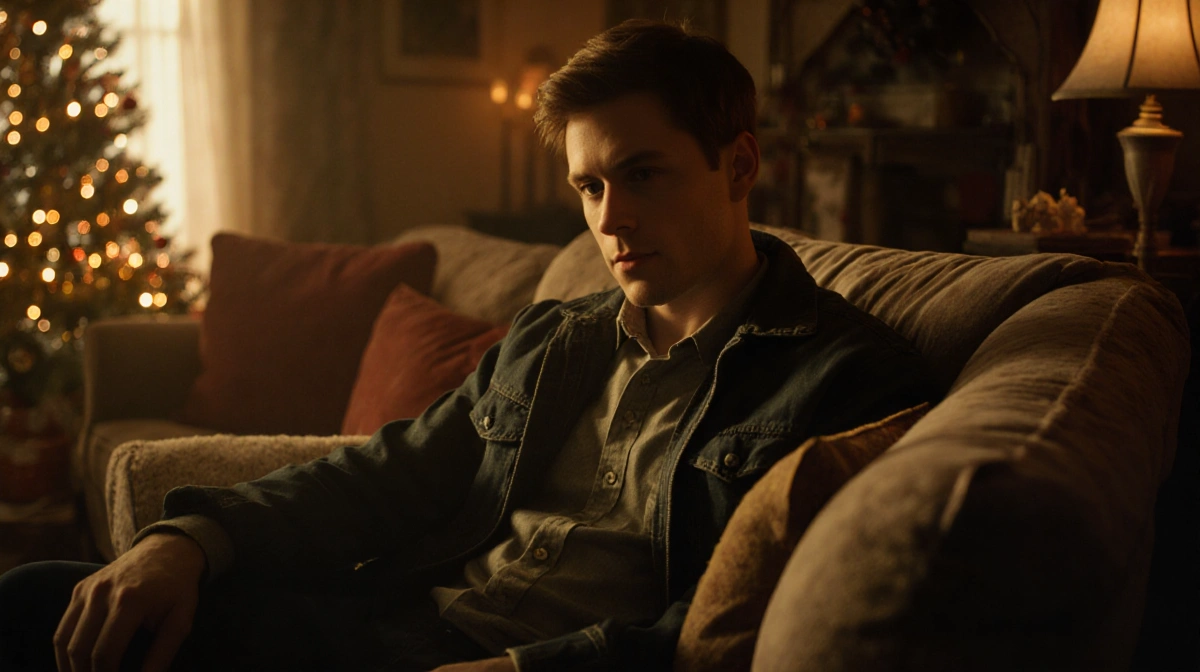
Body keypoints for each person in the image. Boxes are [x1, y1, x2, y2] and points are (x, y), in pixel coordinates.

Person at [0, 19, 936, 672]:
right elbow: (390, 471)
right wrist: (190, 538)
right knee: (45, 601)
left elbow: (739, 625)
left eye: (642, 174)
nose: (613, 220)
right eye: (590, 187)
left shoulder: (847, 379)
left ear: (739, 164)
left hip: (515, 665)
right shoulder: (556, 339)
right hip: (385, 627)